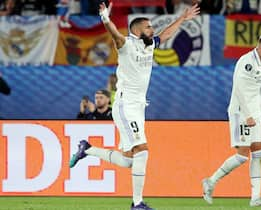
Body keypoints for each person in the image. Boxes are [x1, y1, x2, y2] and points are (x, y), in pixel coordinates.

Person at [69, 2, 200, 210]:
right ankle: (137, 203)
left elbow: (165, 35)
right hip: (125, 105)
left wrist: (183, 18)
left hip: (138, 107)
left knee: (130, 160)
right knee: (143, 151)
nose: (152, 29)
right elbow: (115, 35)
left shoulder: (148, 44)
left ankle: (88, 149)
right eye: (148, 27)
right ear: (137, 30)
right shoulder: (126, 44)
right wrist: (105, 18)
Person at [202, 34, 261, 207]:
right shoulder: (247, 61)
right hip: (241, 113)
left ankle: (256, 198)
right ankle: (211, 181)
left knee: (259, 154)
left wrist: (254, 114)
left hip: (255, 113)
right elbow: (239, 89)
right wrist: (248, 115)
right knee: (242, 156)